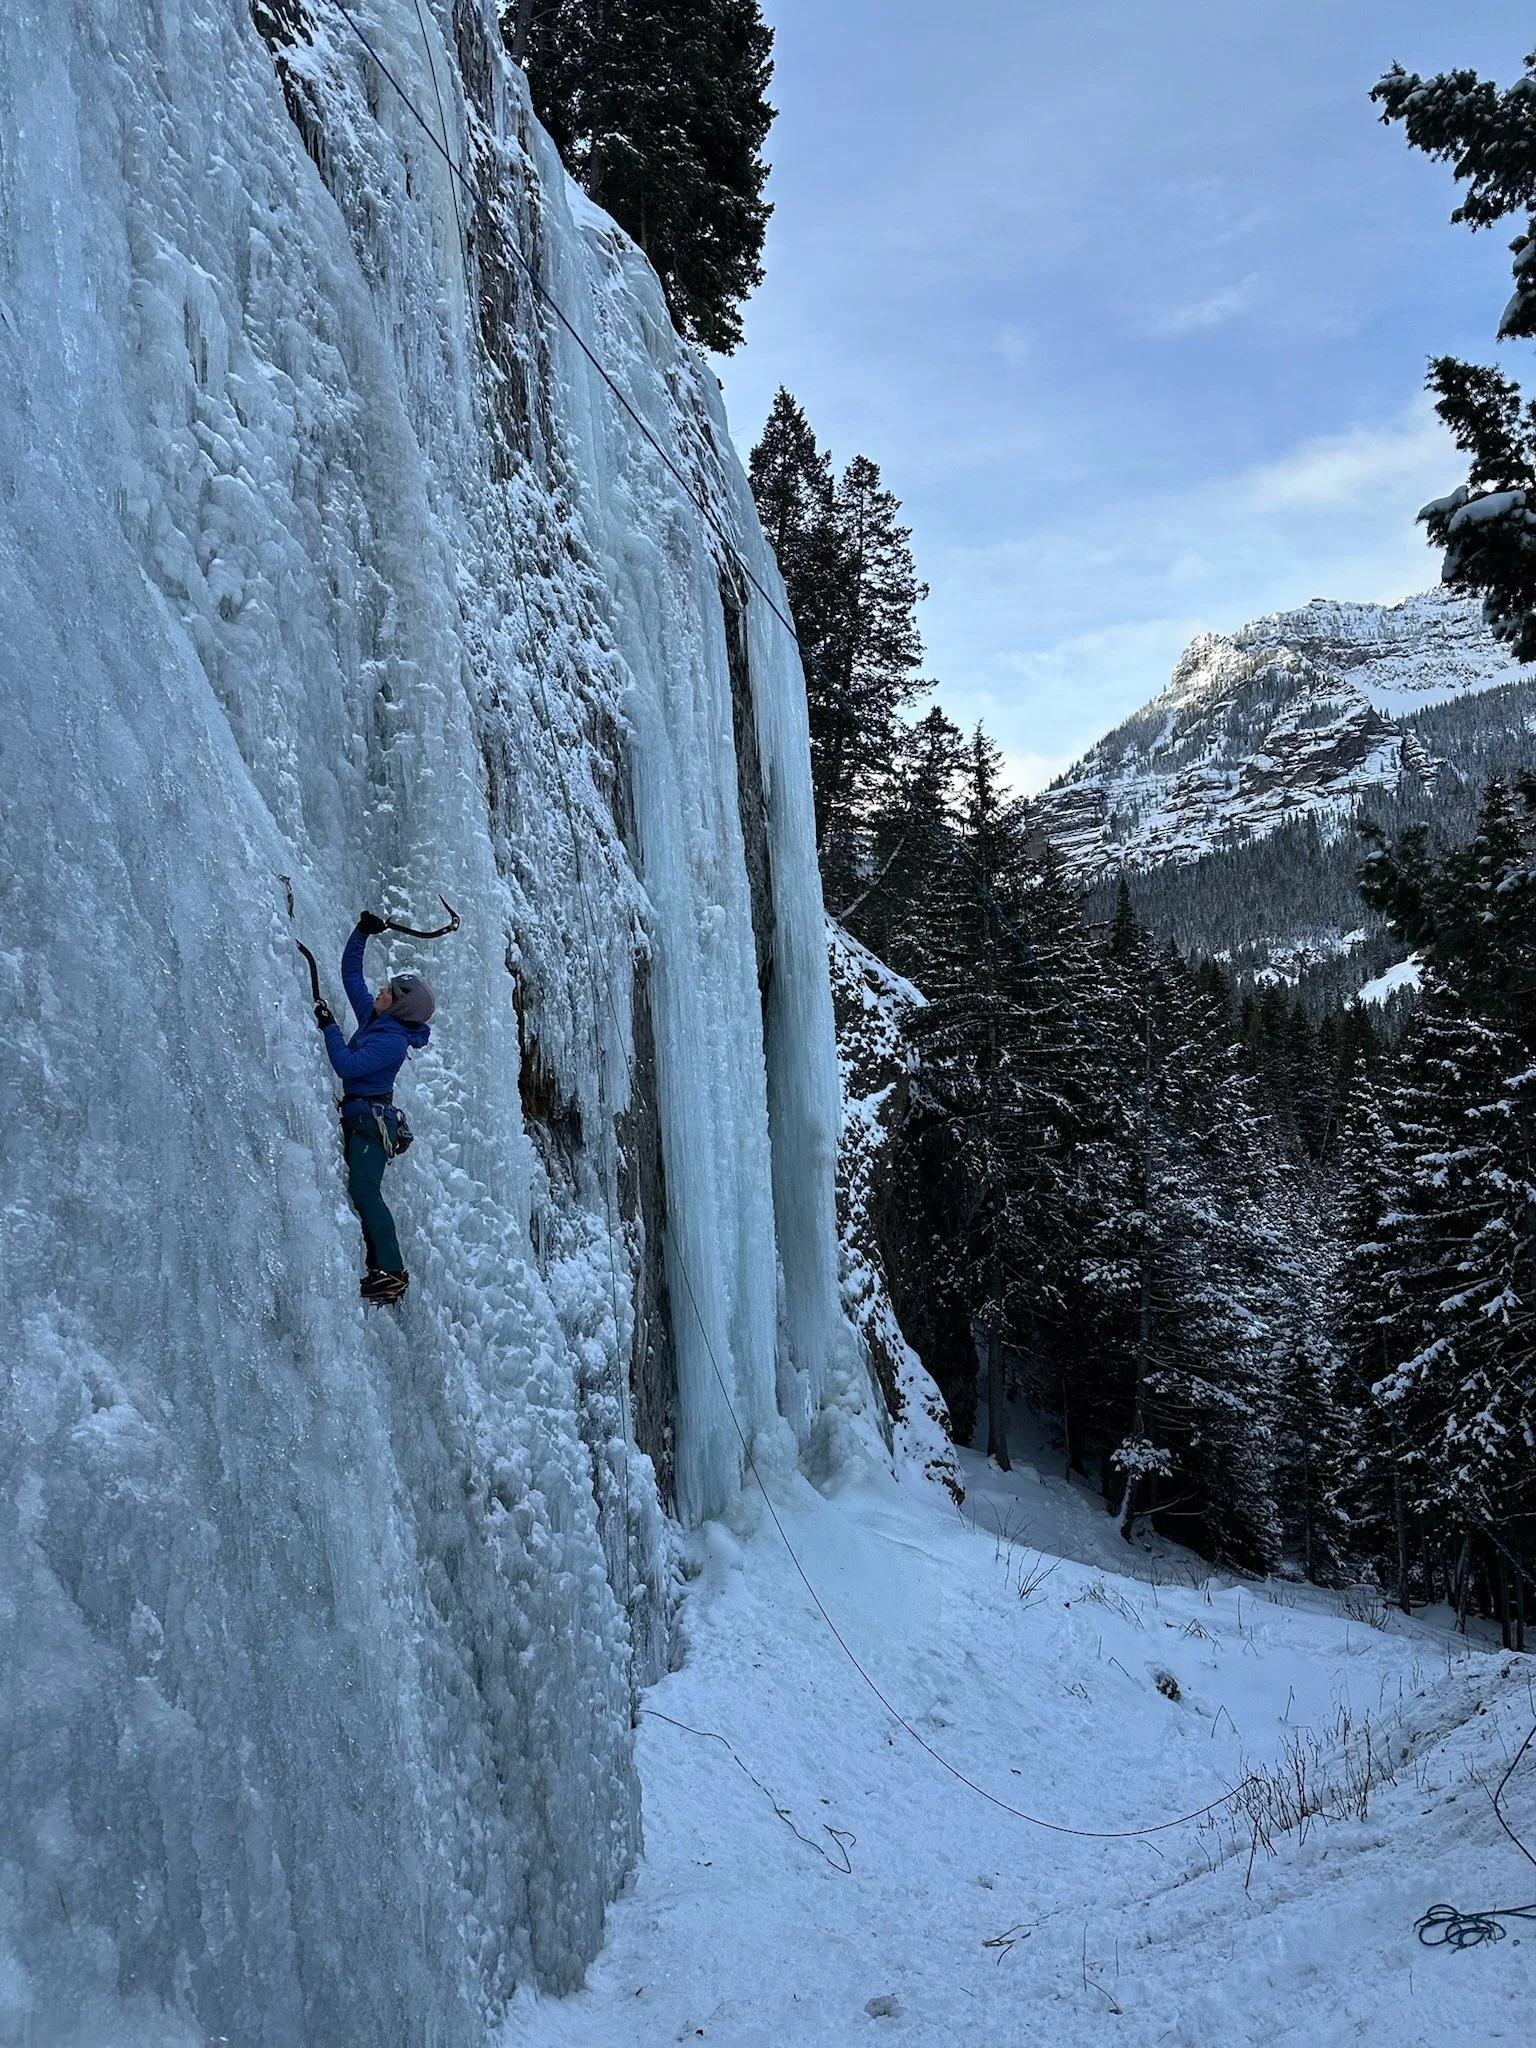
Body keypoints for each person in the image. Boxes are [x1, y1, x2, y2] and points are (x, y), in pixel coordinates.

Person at [313, 911, 434, 1304]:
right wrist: (362, 933)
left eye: (389, 992)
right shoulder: (375, 1019)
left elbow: (346, 1065)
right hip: (362, 1116)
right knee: (363, 1191)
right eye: (386, 987)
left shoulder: (392, 1041)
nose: (381, 990)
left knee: (365, 1190)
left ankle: (392, 1272)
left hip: (370, 1123)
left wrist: (330, 1026)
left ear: (398, 1008)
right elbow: (351, 976)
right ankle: (381, 1264)